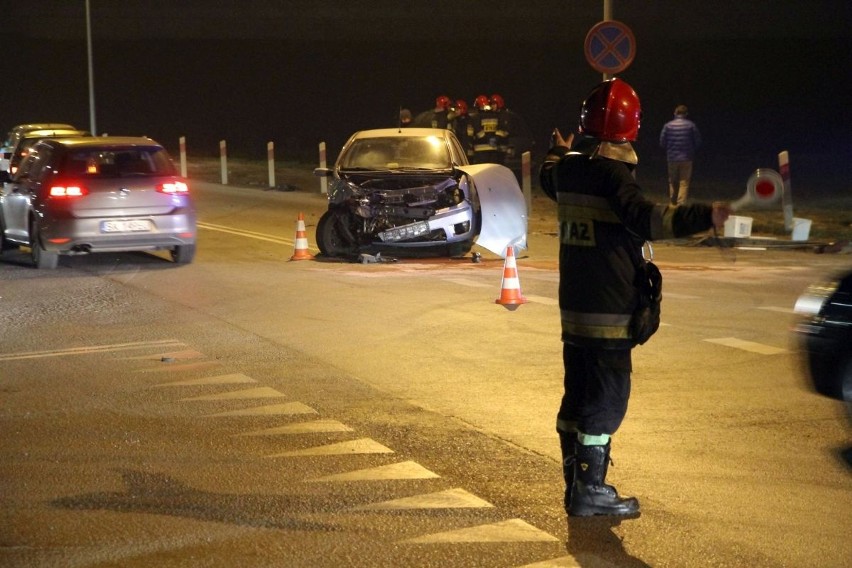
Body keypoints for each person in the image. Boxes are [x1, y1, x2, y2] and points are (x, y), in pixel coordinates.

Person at [539, 78, 730, 517]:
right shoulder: (612, 174)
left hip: (575, 314)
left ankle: (576, 482)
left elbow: (550, 177)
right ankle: (590, 491)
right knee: (606, 401)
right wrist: (704, 215)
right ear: (632, 127)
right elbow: (646, 218)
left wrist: (558, 148)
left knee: (578, 397)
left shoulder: (569, 169)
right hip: (608, 313)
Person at [659, 104, 702, 205]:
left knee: (672, 181)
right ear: (686, 114)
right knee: (684, 182)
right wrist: (691, 150)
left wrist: (669, 149)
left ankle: (672, 201)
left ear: (675, 113)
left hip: (672, 158)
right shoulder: (691, 125)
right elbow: (698, 141)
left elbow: (662, 142)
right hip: (687, 158)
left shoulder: (668, 126)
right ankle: (681, 203)